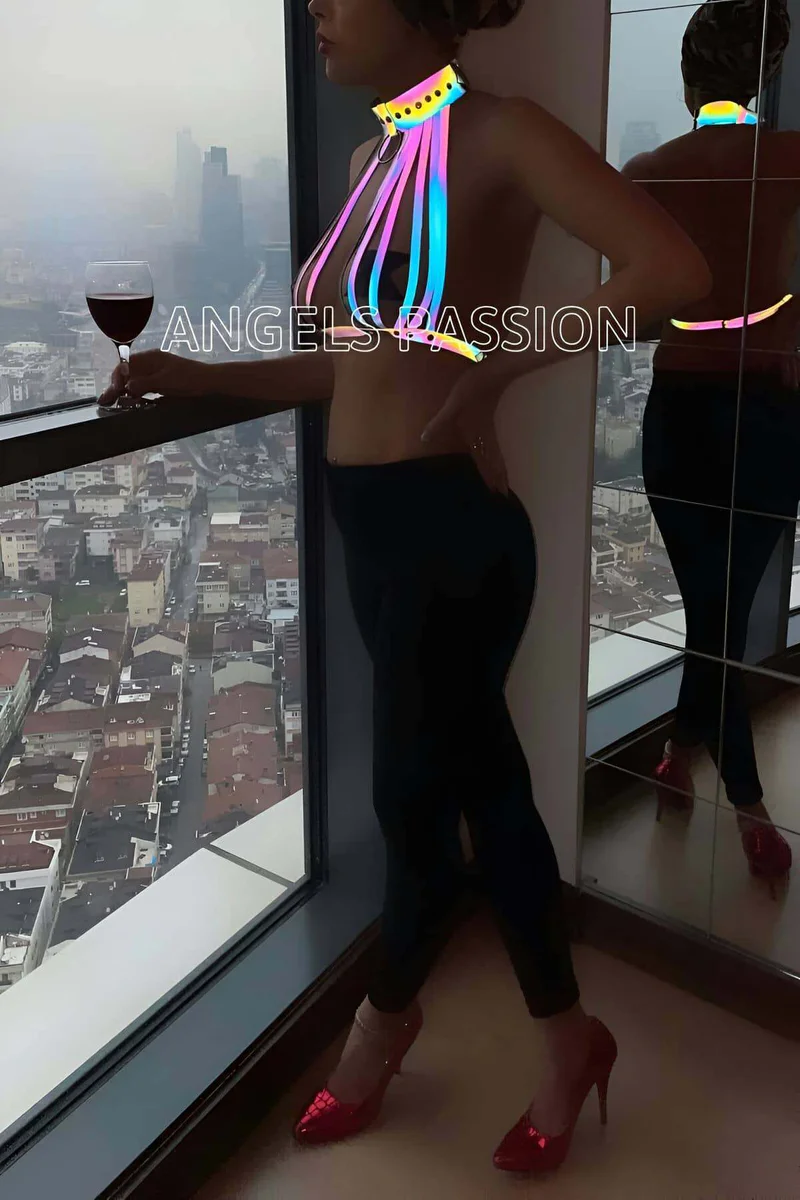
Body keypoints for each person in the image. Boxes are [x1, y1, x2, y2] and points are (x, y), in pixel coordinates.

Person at [100, 0, 710, 1174]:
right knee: (471, 797)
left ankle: (389, 1032)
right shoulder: (370, 160)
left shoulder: (500, 132)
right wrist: (194, 371)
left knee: (415, 810)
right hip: (375, 533)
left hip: (447, 530)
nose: (317, 10)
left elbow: (671, 269)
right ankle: (559, 1040)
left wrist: (501, 362)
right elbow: (350, 370)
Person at [622, 0, 797, 897]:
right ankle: (743, 797)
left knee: (710, 609)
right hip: (772, 411)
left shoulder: (647, 173)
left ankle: (693, 763)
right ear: (764, 74)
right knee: (718, 611)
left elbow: (631, 316)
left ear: (689, 79)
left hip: (682, 413)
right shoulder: (795, 160)